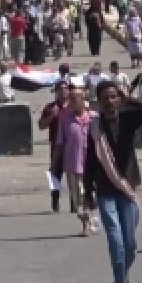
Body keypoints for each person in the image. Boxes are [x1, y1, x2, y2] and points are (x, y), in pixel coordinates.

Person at [83, 81, 142, 283]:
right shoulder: (95, 127)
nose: (111, 101)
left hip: (127, 186)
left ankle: (123, 276)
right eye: (106, 97)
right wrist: (88, 191)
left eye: (114, 97)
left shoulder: (127, 119)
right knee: (116, 240)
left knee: (130, 243)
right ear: (99, 101)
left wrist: (127, 96)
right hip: (105, 189)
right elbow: (89, 161)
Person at [54, 85, 99, 237]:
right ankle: (86, 223)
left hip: (93, 164)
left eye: (74, 98)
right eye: (70, 98)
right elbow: (60, 143)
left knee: (89, 194)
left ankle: (91, 219)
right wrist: (54, 164)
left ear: (83, 99)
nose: (71, 101)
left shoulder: (94, 117)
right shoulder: (65, 119)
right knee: (77, 197)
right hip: (73, 164)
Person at [39, 81, 71, 212]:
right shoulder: (50, 107)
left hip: (72, 145)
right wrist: (52, 115)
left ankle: (75, 204)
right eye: (60, 89)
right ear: (56, 91)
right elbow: (41, 126)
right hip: (57, 146)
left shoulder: (74, 106)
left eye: (65, 89)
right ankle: (55, 201)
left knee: (73, 175)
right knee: (55, 174)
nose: (63, 91)